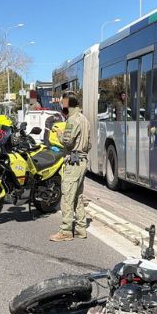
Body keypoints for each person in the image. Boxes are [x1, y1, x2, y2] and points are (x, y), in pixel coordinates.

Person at [50, 91, 90, 242]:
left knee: (67, 197)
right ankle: (81, 229)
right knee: (77, 197)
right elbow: (89, 143)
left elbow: (67, 142)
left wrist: (59, 132)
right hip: (83, 160)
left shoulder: (72, 120)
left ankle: (66, 231)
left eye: (62, 103)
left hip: (73, 162)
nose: (61, 105)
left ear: (67, 104)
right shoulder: (84, 119)